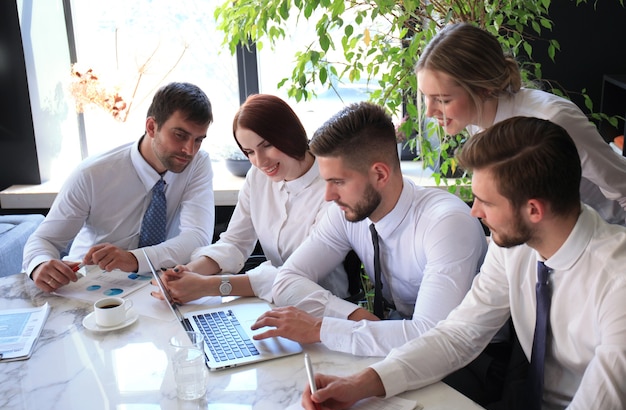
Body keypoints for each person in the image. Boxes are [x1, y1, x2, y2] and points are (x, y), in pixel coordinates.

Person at [302, 116, 626, 410]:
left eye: (486, 202)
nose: (475, 213)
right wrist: (363, 383)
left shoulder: (618, 283)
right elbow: (460, 333)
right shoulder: (513, 243)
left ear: (534, 210)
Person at [251, 101, 488, 356]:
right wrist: (353, 316)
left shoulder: (445, 224)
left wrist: (321, 329)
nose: (328, 195)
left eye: (338, 182)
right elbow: (287, 281)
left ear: (380, 175)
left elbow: (430, 335)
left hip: (472, 364)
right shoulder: (346, 213)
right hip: (402, 346)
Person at [154, 94, 367, 305]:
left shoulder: (331, 187)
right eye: (249, 152)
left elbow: (297, 274)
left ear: (289, 134)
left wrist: (207, 286)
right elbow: (235, 242)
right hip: (271, 304)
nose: (260, 161)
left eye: (266, 145)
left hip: (325, 308)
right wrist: (186, 273)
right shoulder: (258, 178)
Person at [416, 22, 626, 226]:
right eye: (426, 97)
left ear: (484, 89)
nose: (430, 111)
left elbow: (623, 188)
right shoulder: (476, 122)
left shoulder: (553, 120)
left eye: (443, 100)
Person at [23, 82, 215, 292]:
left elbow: (197, 237)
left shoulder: (197, 163)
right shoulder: (92, 175)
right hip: (89, 284)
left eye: (198, 140)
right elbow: (44, 239)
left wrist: (133, 259)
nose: (189, 150)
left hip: (158, 284)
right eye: (180, 135)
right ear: (151, 127)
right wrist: (40, 264)